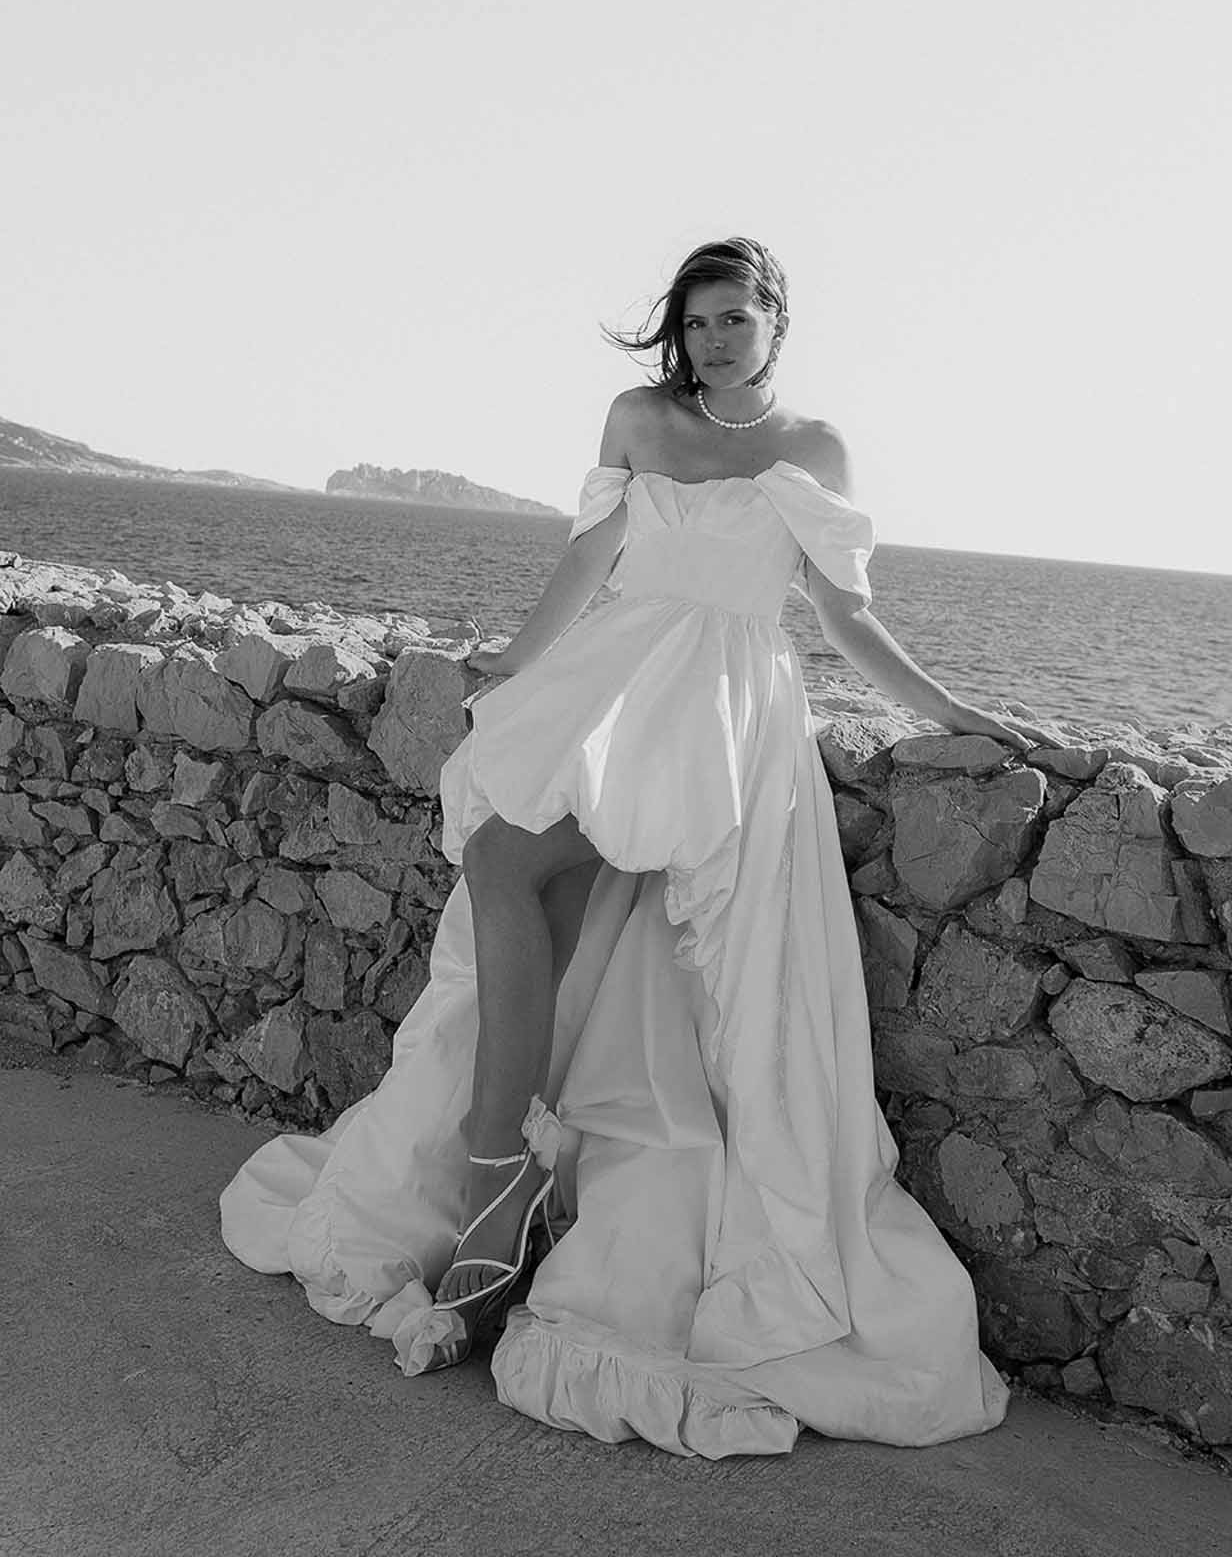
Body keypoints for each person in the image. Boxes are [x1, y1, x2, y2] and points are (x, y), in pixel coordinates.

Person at [221, 236, 1053, 1458]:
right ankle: (497, 1179)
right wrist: (511, 662)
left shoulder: (813, 450)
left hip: (723, 699)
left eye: (735, 320)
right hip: (616, 674)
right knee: (508, 863)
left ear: (776, 324)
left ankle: (513, 1202)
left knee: (626, 938)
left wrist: (951, 714)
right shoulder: (636, 415)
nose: (714, 338)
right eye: (699, 320)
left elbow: (842, 614)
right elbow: (586, 560)